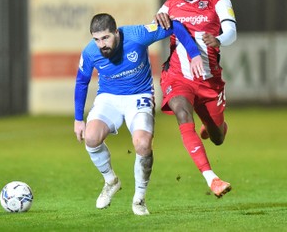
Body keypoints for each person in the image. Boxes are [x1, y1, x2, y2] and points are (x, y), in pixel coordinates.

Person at [73, 13, 204, 215]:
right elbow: (82, 81)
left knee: (142, 144)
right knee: (90, 137)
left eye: (106, 37)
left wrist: (194, 54)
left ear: (116, 32)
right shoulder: (90, 52)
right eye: (96, 39)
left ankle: (139, 198)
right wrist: (78, 119)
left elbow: (175, 27)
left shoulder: (137, 35)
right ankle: (110, 181)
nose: (101, 44)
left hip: (139, 96)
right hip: (108, 97)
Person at [154, 0, 237, 198]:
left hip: (209, 81)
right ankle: (212, 179)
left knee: (218, 137)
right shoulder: (170, 5)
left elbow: (231, 31)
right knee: (181, 112)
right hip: (177, 76)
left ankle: (213, 126)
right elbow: (153, 29)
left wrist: (219, 39)